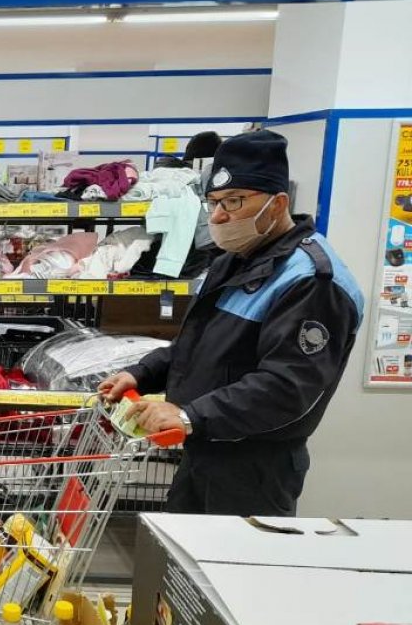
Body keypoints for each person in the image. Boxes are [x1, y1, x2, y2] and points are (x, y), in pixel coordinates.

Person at [99, 129, 364, 516]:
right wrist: (142, 373)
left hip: (254, 470)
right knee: (181, 554)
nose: (219, 215)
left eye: (234, 201)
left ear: (277, 203)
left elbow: (286, 387)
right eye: (213, 203)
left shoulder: (311, 281)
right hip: (203, 449)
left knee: (238, 557)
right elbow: (197, 347)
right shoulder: (232, 261)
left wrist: (189, 415)